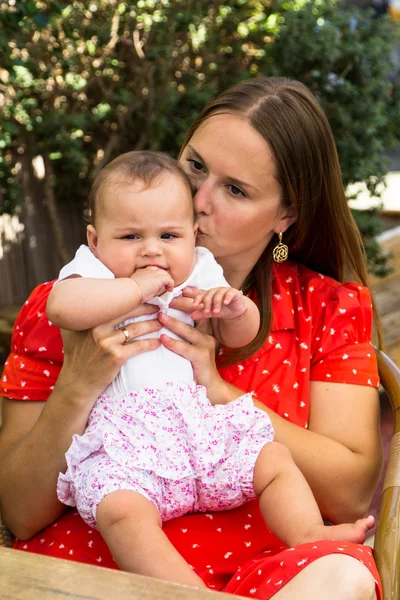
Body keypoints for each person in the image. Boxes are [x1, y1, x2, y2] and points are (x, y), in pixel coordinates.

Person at [0, 77, 383, 599]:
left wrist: (220, 391)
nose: (200, 201)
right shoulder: (75, 302)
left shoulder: (327, 308)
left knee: (344, 577)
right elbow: (20, 515)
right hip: (99, 571)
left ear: (286, 214)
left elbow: (349, 493)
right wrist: (79, 384)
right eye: (195, 166)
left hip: (268, 569)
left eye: (235, 189)